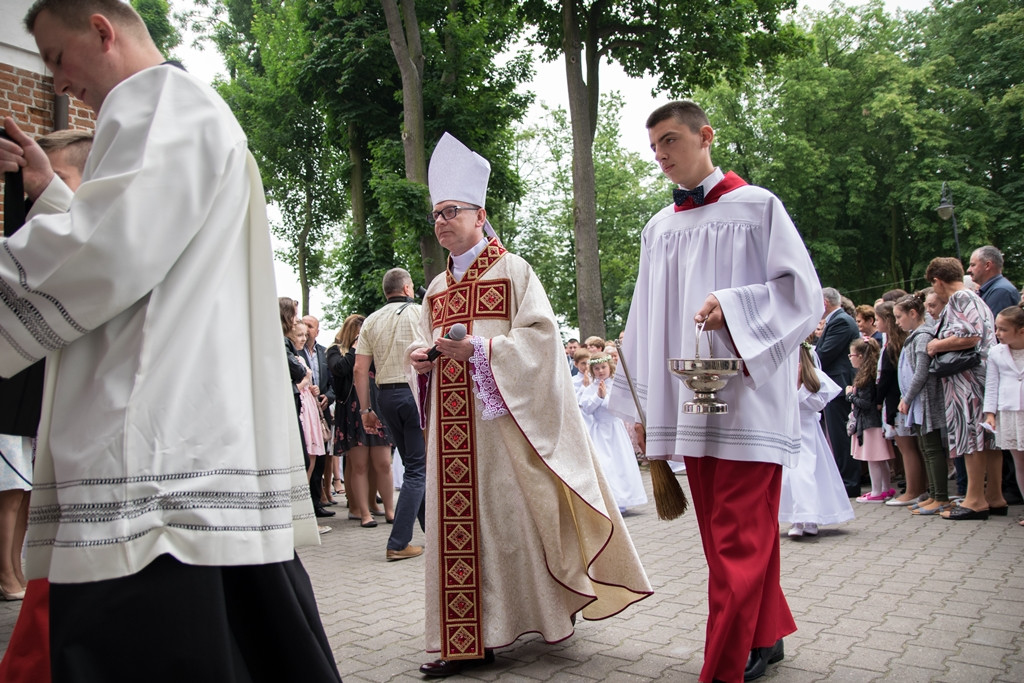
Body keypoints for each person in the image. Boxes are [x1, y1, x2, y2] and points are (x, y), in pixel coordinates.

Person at [0, 2, 338, 680]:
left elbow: (109, 253)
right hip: (189, 451)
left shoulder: (161, 101)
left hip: (155, 464)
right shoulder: (181, 109)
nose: (60, 84)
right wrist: (54, 197)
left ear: (101, 30)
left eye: (59, 58)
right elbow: (142, 255)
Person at [409, 132, 651, 677]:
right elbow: (427, 345)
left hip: (503, 428)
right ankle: (468, 639)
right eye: (436, 215)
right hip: (453, 432)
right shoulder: (433, 290)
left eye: (452, 211)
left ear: (480, 214)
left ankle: (527, 619)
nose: (443, 221)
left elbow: (541, 340)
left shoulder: (512, 271)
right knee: (459, 531)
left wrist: (482, 349)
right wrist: (421, 362)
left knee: (513, 528)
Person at [608, 101, 821, 683]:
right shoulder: (659, 227)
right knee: (725, 536)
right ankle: (765, 635)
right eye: (654, 147)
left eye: (670, 141)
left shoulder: (758, 208)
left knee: (736, 541)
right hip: (688, 398)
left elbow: (802, 295)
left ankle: (722, 667)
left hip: (748, 398)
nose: (661, 156)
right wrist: (642, 407)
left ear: (705, 136)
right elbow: (645, 318)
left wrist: (733, 304)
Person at [925, 257, 1006, 521]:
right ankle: (993, 495)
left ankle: (974, 500)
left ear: (937, 281)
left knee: (971, 437)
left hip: (967, 380)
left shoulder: (961, 299)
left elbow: (971, 335)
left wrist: (937, 345)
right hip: (980, 377)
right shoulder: (975, 297)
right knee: (988, 440)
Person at [356, 268, 426, 561]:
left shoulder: (370, 321)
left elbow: (360, 369)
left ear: (387, 291)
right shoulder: (422, 313)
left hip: (384, 396)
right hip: (414, 393)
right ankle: (398, 542)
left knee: (412, 464)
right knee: (418, 469)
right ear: (408, 288)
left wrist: (365, 409)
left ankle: (432, 530)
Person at [780, 342, 855, 537]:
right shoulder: (781, 375)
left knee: (807, 473)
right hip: (789, 431)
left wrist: (799, 386)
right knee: (792, 476)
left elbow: (817, 404)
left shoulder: (814, 376)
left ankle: (810, 518)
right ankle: (798, 518)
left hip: (808, 432)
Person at [329, 314, 395, 528]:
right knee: (359, 464)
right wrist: (357, 349)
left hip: (377, 407)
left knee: (383, 463)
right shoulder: (335, 351)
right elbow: (340, 369)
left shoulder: (376, 349)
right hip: (351, 411)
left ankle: (388, 508)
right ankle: (362, 512)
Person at [895, 291, 952, 516]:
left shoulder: (922, 336)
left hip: (925, 400)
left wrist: (907, 397)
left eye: (899, 317)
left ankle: (941, 496)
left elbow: (921, 371)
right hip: (918, 401)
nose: (898, 322)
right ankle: (934, 494)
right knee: (926, 448)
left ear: (912, 313)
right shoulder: (916, 335)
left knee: (932, 448)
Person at [577, 354, 647, 513]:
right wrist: (597, 397)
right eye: (597, 368)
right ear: (592, 370)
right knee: (603, 464)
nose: (600, 371)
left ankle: (621, 500)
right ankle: (607, 501)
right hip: (599, 431)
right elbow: (586, 408)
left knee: (619, 464)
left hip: (615, 430)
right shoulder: (590, 389)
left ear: (610, 367)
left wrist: (604, 397)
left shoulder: (617, 386)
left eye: (603, 367)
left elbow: (620, 407)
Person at [875, 301, 927, 506]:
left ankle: (914, 490)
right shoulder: (900, 342)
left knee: (908, 448)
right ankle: (920, 487)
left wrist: (878, 400)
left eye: (879, 319)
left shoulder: (895, 346)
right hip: (903, 400)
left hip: (899, 402)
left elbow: (886, 377)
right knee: (912, 448)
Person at [817, 287, 864, 498]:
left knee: (841, 435)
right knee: (836, 435)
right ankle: (846, 478)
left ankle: (849, 481)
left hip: (839, 383)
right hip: (835, 384)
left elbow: (825, 353)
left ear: (824, 303)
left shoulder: (841, 321)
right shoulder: (837, 320)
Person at [983, 304, 1024, 526]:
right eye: (996, 328)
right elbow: (992, 384)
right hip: (1008, 412)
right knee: (1019, 462)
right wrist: (990, 413)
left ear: (1021, 330)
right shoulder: (996, 352)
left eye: (1003, 329)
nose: (997, 333)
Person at [846, 338, 896, 502]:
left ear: (860, 356)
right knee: (880, 459)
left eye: (851, 354)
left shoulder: (866, 378)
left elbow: (867, 403)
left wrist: (850, 396)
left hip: (869, 423)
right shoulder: (870, 373)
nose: (850, 357)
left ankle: (876, 492)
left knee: (873, 458)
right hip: (872, 422)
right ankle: (885, 488)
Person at [302, 315, 336, 506]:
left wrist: (328, 397)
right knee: (309, 456)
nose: (307, 329)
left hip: (321, 410)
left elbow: (333, 383)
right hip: (304, 409)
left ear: (317, 331)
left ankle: (318, 501)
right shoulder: (295, 350)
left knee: (321, 457)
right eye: (304, 324)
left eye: (310, 326)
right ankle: (311, 503)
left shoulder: (324, 353)